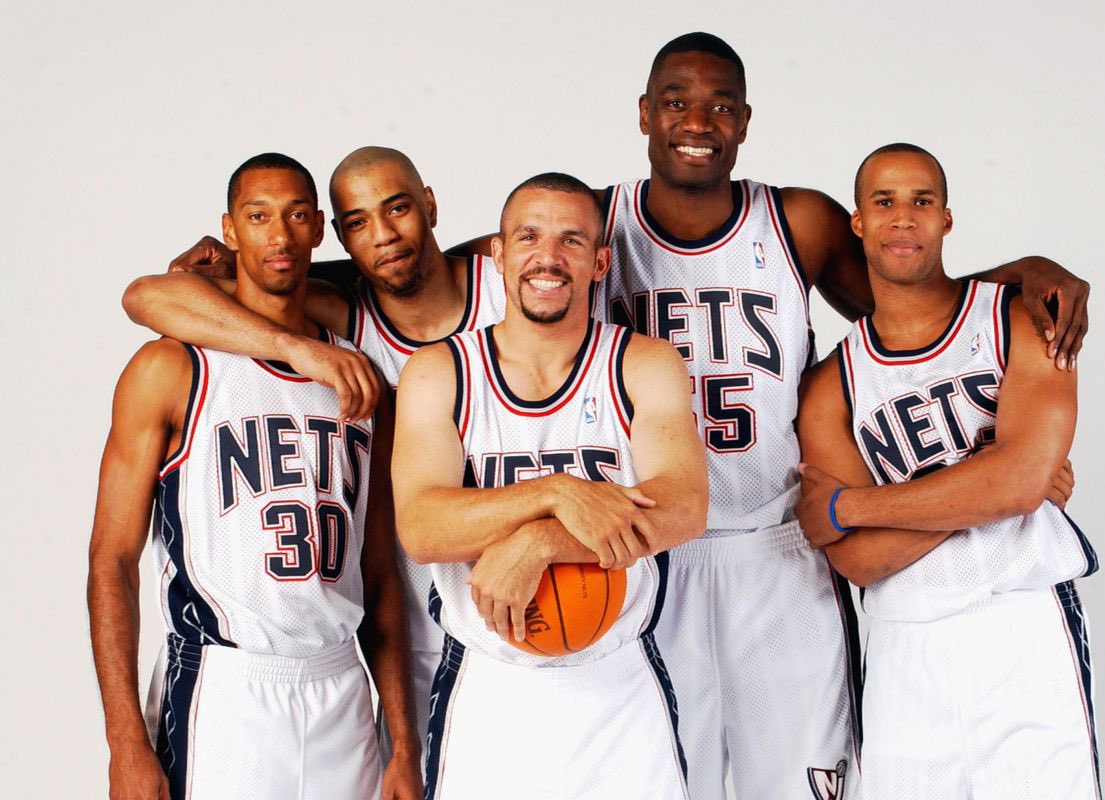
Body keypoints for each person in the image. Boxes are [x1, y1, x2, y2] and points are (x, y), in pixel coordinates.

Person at [581, 32, 1093, 800]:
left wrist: (1025, 275)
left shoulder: (801, 221)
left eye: (720, 105)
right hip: (653, 550)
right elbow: (450, 280)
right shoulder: (587, 223)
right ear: (645, 113)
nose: (698, 122)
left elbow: (907, 299)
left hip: (775, 547)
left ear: (745, 121)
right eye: (678, 102)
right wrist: (989, 489)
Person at [120, 146, 506, 770]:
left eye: (398, 208)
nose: (383, 234)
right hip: (281, 669)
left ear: (429, 205)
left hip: (426, 648)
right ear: (343, 236)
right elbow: (147, 295)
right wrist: (295, 348)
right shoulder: (349, 331)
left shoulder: (504, 282)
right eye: (359, 221)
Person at [87, 153, 420, 799]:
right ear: (229, 230)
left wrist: (402, 744)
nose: (280, 235)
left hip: (342, 691)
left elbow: (380, 571)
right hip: (223, 689)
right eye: (259, 216)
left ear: (319, 228)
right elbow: (112, 559)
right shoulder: (172, 369)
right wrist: (125, 741)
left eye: (296, 215)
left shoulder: (360, 379)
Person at [795, 143, 1100, 799]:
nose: (903, 218)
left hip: (1023, 625)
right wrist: (988, 483)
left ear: (947, 219)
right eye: (884, 202)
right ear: (858, 223)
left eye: (922, 201)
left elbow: (1020, 483)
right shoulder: (830, 385)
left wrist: (849, 507)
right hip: (905, 644)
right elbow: (859, 561)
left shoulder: (1021, 319)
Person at [392, 173, 708, 799]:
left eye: (571, 240)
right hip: (489, 689)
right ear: (498, 254)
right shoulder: (440, 372)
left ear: (599, 263)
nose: (548, 257)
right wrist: (555, 492)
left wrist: (539, 542)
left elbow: (683, 508)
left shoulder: (641, 363)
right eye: (529, 237)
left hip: (619, 685)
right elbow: (423, 528)